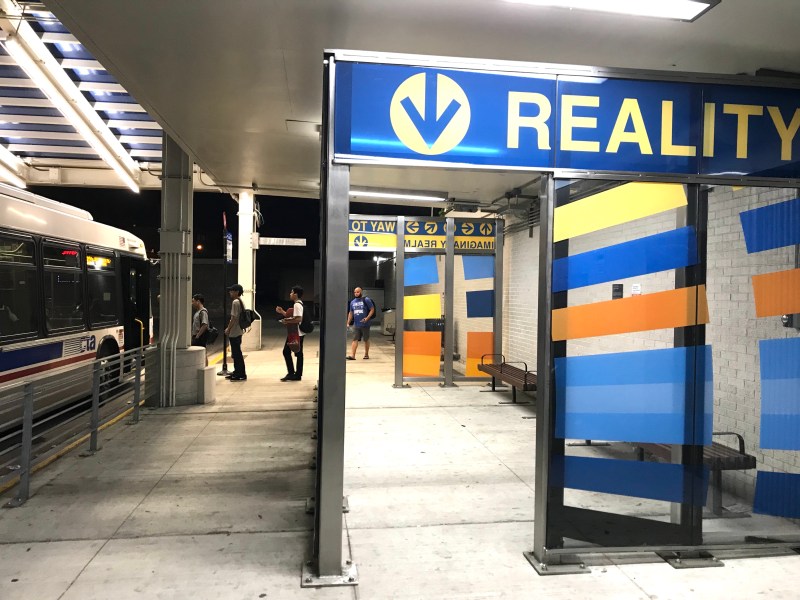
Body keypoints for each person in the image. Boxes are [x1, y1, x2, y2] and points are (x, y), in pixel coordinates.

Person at [276, 285, 305, 381]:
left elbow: (298, 319)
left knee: (287, 351)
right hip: (298, 333)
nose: (290, 294)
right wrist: (283, 312)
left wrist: (286, 321)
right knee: (298, 353)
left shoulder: (297, 305)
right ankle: (297, 374)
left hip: (296, 333)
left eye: (292, 292)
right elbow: (294, 317)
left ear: (296, 294)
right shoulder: (299, 303)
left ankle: (292, 373)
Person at [224, 283, 247, 381]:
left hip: (234, 332)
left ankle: (240, 374)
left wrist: (228, 329)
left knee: (236, 354)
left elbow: (233, 317)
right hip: (239, 331)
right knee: (237, 353)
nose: (230, 292)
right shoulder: (240, 301)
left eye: (232, 291)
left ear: (237, 292)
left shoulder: (235, 302)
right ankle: (237, 372)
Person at [347, 286, 375, 360]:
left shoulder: (366, 300)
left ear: (361, 292)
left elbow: (372, 309)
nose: (356, 293)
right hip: (356, 324)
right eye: (355, 292)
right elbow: (351, 313)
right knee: (354, 339)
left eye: (358, 292)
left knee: (366, 339)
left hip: (365, 324)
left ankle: (366, 354)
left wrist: (367, 318)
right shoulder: (352, 302)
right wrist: (348, 322)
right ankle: (353, 356)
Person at [190, 293, 209, 366]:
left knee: (203, 354)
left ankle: (205, 368)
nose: (192, 303)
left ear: (198, 301)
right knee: (200, 354)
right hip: (197, 336)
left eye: (193, 301)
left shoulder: (203, 312)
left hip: (200, 337)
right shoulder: (198, 312)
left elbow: (205, 324)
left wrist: (197, 336)